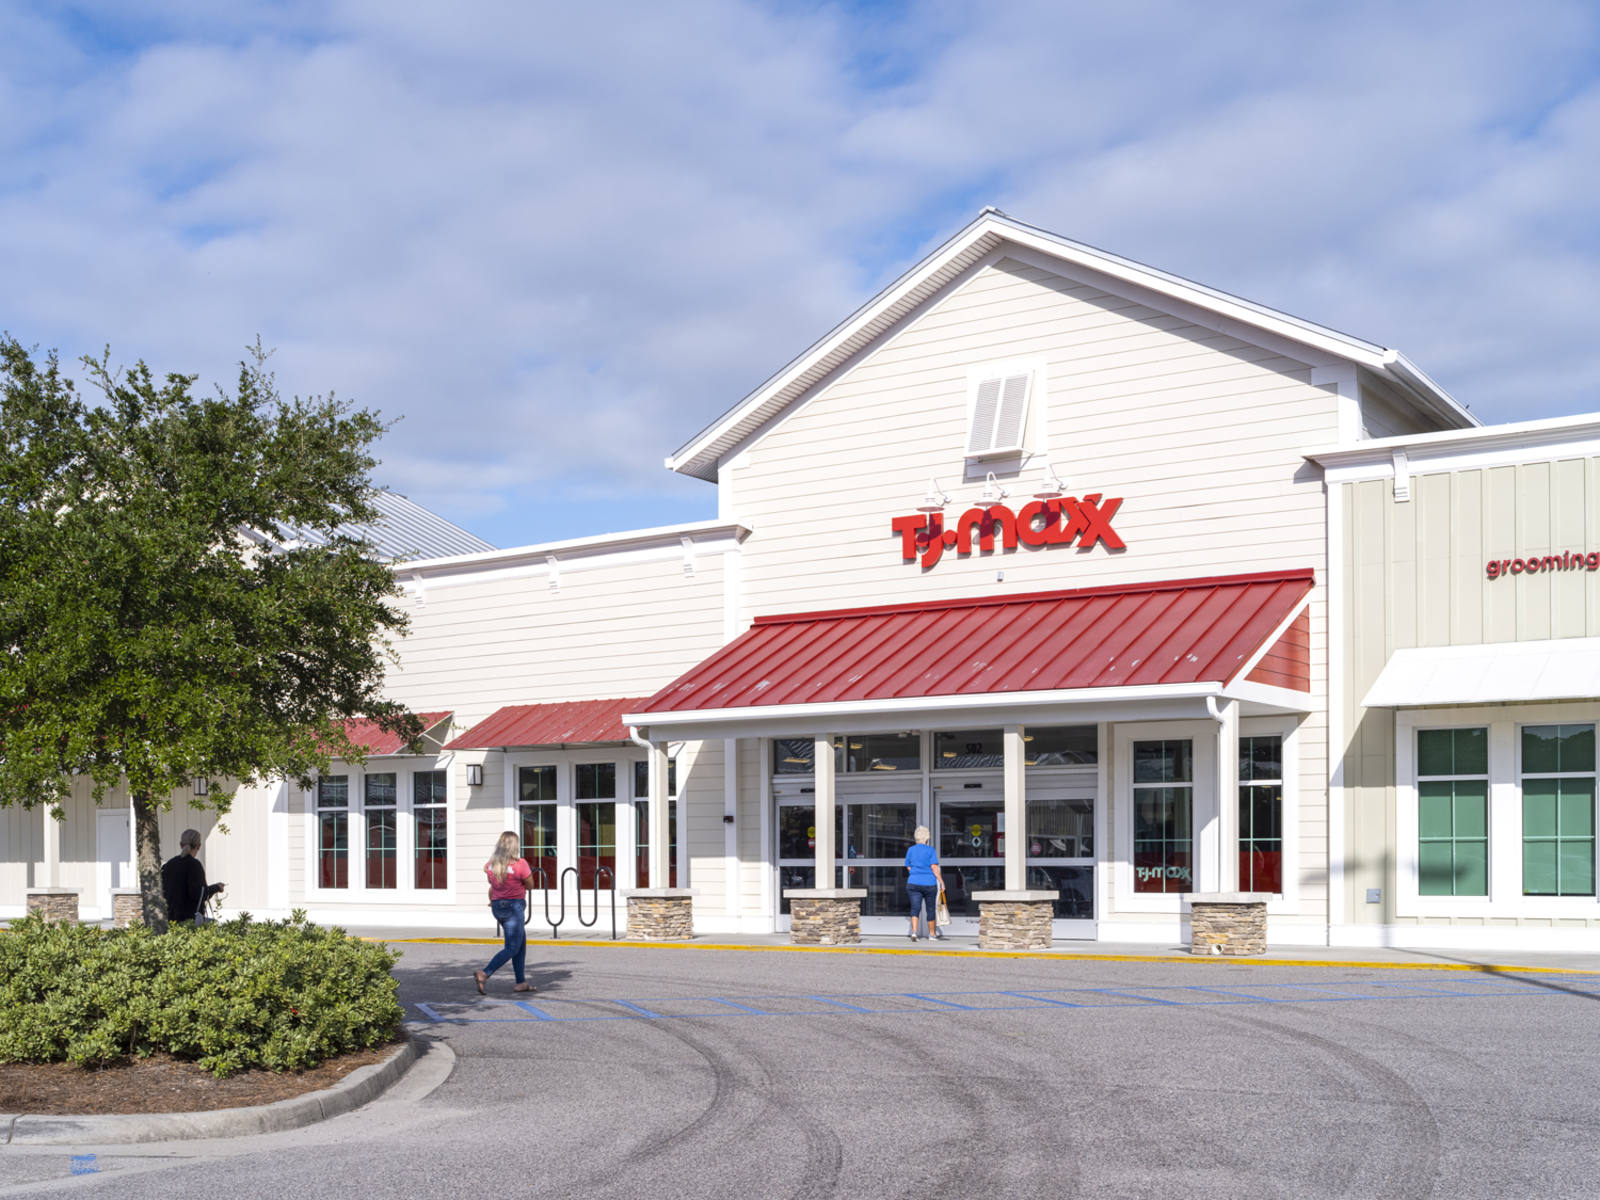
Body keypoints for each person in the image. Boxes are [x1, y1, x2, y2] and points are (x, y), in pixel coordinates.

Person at [475, 830, 535, 994]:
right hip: (513, 908)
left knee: (520, 944)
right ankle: (485, 973)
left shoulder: (492, 864)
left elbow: (490, 881)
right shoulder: (520, 864)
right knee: (513, 947)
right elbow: (530, 885)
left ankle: (521, 982)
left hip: (497, 906)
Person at [160, 828, 223, 926]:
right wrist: (217, 887)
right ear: (199, 846)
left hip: (169, 920)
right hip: (189, 922)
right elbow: (199, 894)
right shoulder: (195, 865)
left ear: (180, 845)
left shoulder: (168, 865)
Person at [904, 825, 944, 942]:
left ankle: (914, 933)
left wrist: (915, 874)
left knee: (915, 908)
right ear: (927, 837)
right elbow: (934, 868)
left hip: (913, 883)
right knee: (930, 909)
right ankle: (932, 934)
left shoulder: (910, 850)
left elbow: (908, 866)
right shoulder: (930, 850)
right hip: (929, 883)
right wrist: (941, 881)